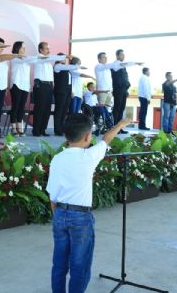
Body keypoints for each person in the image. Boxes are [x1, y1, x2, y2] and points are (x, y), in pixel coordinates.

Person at [46, 114, 130, 293]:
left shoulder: (57, 159)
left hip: (59, 214)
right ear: (87, 137)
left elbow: (52, 195)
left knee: (59, 264)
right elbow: (107, 138)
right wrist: (122, 123)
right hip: (81, 217)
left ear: (66, 136)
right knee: (80, 266)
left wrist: (59, 217)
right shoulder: (89, 156)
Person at [8, 41, 44, 136]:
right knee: (15, 107)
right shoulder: (14, 58)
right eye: (22, 48)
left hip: (24, 86)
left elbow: (34, 60)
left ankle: (20, 128)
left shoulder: (26, 59)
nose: (24, 50)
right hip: (16, 84)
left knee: (21, 107)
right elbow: (28, 59)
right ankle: (13, 128)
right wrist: (37, 57)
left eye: (24, 48)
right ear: (17, 48)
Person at [32, 42, 65, 137]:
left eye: (48, 48)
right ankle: (36, 130)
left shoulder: (48, 62)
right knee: (40, 108)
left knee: (47, 109)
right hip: (40, 85)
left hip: (49, 86)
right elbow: (49, 58)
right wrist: (63, 57)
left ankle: (43, 129)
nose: (48, 50)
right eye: (46, 48)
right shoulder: (39, 58)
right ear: (41, 50)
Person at [53, 54, 86, 136]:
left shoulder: (67, 69)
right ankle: (57, 129)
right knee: (59, 110)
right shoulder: (58, 66)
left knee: (64, 111)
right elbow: (71, 66)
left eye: (65, 58)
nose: (65, 59)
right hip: (60, 92)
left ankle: (62, 127)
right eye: (63, 58)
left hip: (67, 92)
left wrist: (71, 91)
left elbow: (69, 82)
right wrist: (75, 62)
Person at [111, 49, 143, 129]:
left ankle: (119, 128)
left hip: (124, 90)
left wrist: (127, 86)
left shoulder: (123, 66)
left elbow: (125, 77)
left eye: (123, 54)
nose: (123, 56)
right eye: (121, 54)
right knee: (117, 109)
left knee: (122, 108)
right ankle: (115, 127)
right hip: (118, 89)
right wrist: (136, 63)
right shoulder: (116, 64)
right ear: (117, 56)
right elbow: (117, 79)